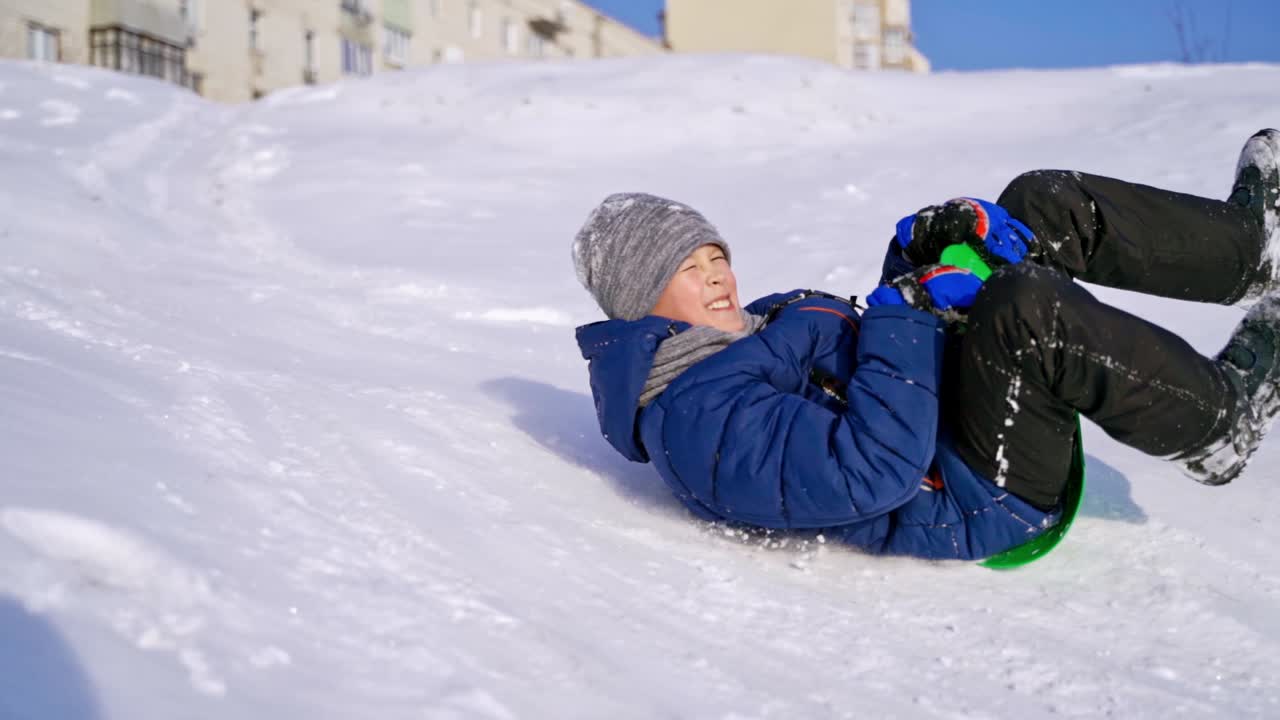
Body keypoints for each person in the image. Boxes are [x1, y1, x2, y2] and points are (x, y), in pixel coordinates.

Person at [571, 129, 1280, 561]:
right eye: (686, 271)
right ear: (642, 303)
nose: (717, 277)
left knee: (1033, 207)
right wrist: (906, 311)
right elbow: (868, 469)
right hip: (970, 490)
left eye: (713, 255)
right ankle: (1220, 424)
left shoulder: (750, 329)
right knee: (1024, 304)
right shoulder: (697, 418)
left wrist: (918, 255)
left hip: (947, 420)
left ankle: (1254, 252)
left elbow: (858, 358)